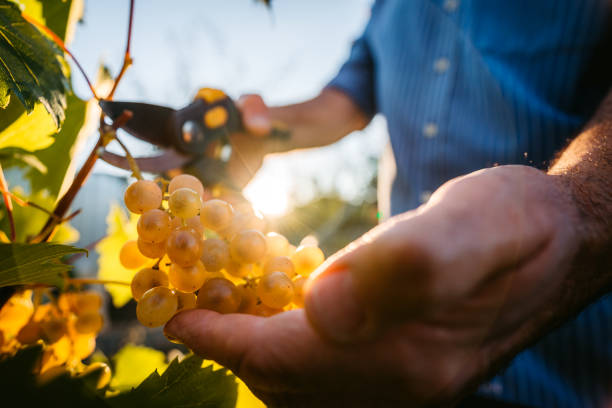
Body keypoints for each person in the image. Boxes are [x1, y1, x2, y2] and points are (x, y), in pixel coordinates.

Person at [165, 1, 612, 406]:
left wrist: (575, 206)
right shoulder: (388, 7)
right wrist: (259, 126)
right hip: (398, 338)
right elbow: (340, 106)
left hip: (569, 367)